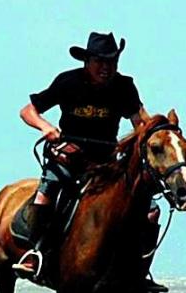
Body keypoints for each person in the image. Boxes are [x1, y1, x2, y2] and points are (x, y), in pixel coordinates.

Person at [12, 31, 146, 279]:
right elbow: (27, 111)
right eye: (100, 62)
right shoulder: (68, 82)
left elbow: (141, 123)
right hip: (67, 157)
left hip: (105, 163)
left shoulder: (124, 87)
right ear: (87, 61)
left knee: (147, 207)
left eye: (112, 62)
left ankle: (137, 269)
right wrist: (47, 128)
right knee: (46, 195)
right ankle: (35, 253)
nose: (106, 68)